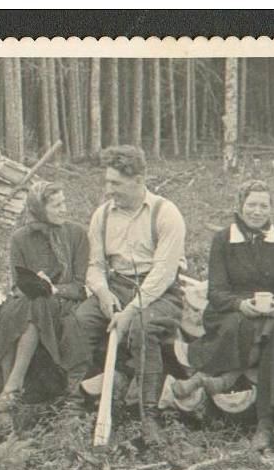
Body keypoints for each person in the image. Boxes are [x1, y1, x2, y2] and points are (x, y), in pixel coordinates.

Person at [75, 145, 186, 444]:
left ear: (138, 179)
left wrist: (131, 310)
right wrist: (101, 293)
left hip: (159, 293)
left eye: (116, 183)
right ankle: (77, 398)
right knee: (81, 322)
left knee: (142, 328)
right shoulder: (102, 215)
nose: (109, 190)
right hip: (116, 287)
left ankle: (149, 415)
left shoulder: (166, 213)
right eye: (107, 182)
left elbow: (163, 274)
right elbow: (95, 265)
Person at [183, 180, 274, 451]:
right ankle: (220, 381)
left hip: (270, 313)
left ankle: (216, 380)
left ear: (272, 209)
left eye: (264, 205)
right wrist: (239, 304)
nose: (257, 211)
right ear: (240, 206)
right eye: (252, 204)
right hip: (231, 309)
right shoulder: (223, 239)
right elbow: (216, 290)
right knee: (240, 325)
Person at [0, 181, 89, 412]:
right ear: (39, 209)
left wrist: (55, 289)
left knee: (36, 306)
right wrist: (34, 286)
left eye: (64, 203)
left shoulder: (76, 234)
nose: (64, 209)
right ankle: (10, 388)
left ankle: (12, 387)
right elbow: (18, 282)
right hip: (33, 300)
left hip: (64, 301)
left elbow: (80, 286)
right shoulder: (20, 237)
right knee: (15, 308)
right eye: (56, 205)